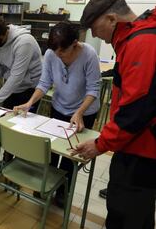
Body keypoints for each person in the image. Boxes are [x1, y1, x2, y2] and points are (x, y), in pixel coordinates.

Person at [72, 0, 156, 229]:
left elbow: (135, 112)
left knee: (126, 217)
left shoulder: (142, 44)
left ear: (111, 18)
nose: (97, 37)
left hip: (141, 152)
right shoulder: (136, 38)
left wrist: (100, 144)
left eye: (96, 29)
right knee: (138, 214)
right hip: (133, 146)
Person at [14, 21, 101, 206]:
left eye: (63, 51)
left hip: (84, 113)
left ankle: (63, 192)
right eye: (55, 51)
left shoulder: (89, 55)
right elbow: (45, 83)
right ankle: (47, 185)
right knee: (51, 151)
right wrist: (30, 103)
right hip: (59, 107)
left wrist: (79, 112)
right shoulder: (51, 54)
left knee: (71, 155)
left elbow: (94, 89)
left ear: (75, 44)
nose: (58, 55)